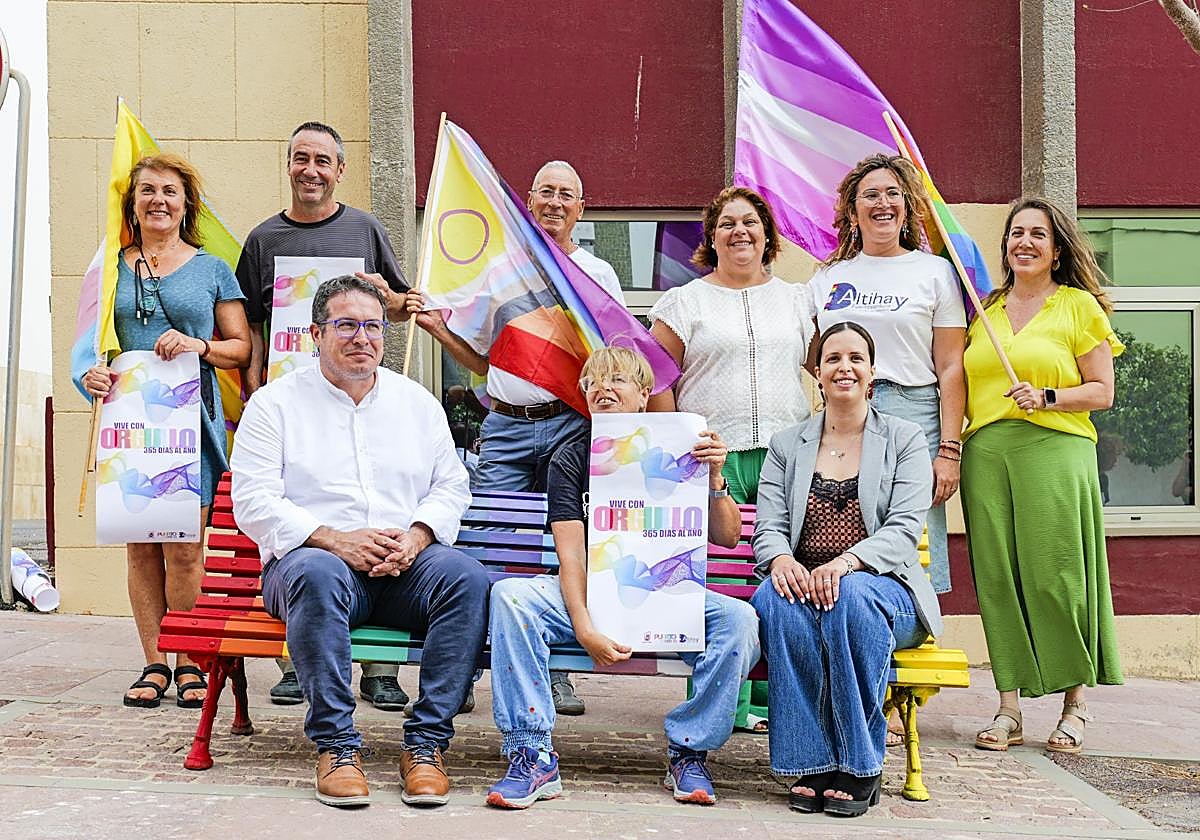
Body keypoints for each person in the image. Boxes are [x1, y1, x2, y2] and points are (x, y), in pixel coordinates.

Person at [231, 275, 488, 808]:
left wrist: (418, 537)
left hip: (404, 565)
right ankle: (337, 747)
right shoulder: (273, 405)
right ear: (315, 333)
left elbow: (451, 485)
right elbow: (253, 501)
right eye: (345, 325)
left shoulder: (416, 403)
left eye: (372, 325)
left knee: (466, 578)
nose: (361, 337)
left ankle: (426, 746)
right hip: (315, 566)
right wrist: (333, 539)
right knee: (318, 573)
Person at [484, 346, 759, 809]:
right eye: (592, 382)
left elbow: (728, 537)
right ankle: (531, 753)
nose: (602, 389)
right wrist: (586, 625)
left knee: (739, 620)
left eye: (617, 380)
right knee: (512, 596)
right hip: (587, 590)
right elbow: (570, 556)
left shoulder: (686, 448)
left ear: (645, 393)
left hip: (669, 592)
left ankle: (689, 750)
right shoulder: (572, 456)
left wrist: (715, 477)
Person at [406, 159, 624, 716]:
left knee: (561, 544)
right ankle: (474, 663)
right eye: (545, 191)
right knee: (493, 543)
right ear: (529, 201)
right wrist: (437, 332)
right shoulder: (499, 270)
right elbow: (479, 357)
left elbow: (614, 358)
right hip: (504, 425)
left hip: (571, 424)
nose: (555, 202)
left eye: (566, 194)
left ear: (582, 206)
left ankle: (553, 669)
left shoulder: (597, 275)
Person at [235, 120, 410, 709]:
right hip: (289, 407)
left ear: (340, 170)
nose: (311, 170)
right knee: (299, 528)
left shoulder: (366, 228)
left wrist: (385, 297)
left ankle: (381, 673)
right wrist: (255, 372)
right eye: (300, 159)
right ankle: (295, 663)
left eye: (323, 161)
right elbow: (251, 319)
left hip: (357, 400)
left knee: (377, 507)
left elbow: (399, 306)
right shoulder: (262, 239)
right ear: (288, 165)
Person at [79, 153, 251, 710]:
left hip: (187, 424)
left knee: (184, 549)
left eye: (169, 191)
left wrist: (200, 345)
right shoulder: (109, 266)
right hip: (129, 425)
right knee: (141, 550)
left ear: (186, 204)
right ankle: (153, 662)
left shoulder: (211, 268)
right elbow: (90, 346)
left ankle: (189, 662)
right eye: (147, 190)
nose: (158, 199)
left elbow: (241, 348)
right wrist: (93, 373)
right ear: (132, 202)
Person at [751, 322, 942, 818]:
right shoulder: (787, 444)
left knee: (850, 600)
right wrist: (781, 561)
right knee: (774, 600)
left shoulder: (905, 439)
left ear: (872, 372)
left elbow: (903, 529)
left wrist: (847, 563)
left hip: (883, 591)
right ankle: (809, 761)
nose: (845, 367)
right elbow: (767, 527)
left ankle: (860, 763)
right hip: (804, 583)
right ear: (817, 372)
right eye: (833, 358)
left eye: (856, 358)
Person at [647, 185, 817, 734]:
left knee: (777, 571)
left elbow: (829, 367)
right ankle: (719, 699)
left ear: (768, 235)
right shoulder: (685, 301)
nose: (739, 231)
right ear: (711, 238)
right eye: (727, 224)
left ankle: (771, 696)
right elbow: (658, 380)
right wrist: (679, 442)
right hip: (709, 459)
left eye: (750, 222)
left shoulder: (798, 300)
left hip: (785, 456)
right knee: (719, 579)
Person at [963, 197, 1123, 755]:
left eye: (1038, 234)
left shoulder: (1077, 306)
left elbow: (1103, 391)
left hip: (1055, 449)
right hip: (987, 454)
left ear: (1057, 251)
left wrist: (1049, 396)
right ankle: (1009, 708)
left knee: (1056, 577)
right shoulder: (987, 307)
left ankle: (1075, 703)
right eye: (1015, 234)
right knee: (999, 578)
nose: (1024, 242)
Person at [808, 154, 965, 599]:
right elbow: (809, 349)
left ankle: (913, 631)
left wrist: (950, 449)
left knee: (914, 536)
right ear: (852, 211)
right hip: (844, 414)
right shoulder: (829, 278)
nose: (883, 203)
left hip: (916, 410)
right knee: (846, 520)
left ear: (908, 206)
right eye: (870, 195)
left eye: (893, 193)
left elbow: (952, 365)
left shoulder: (936, 273)